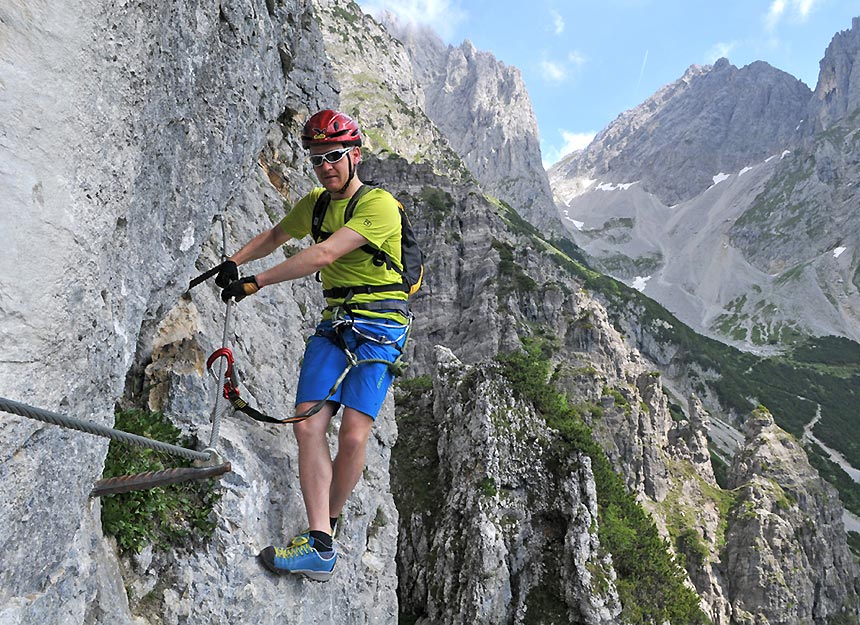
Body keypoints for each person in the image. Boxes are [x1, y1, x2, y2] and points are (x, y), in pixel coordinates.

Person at [218, 109, 414, 581]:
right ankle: (321, 541)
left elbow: (324, 254)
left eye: (334, 156)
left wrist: (255, 282)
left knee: (352, 435)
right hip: (336, 321)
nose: (325, 166)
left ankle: (328, 524)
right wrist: (232, 260)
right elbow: (276, 235)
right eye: (317, 158)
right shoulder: (316, 204)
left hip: (381, 324)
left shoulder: (380, 205)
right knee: (308, 426)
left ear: (355, 155)